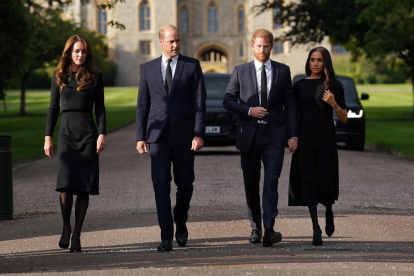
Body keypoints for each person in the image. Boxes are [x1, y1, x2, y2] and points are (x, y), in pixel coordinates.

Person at [223, 29, 298, 247]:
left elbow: (290, 106)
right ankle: (255, 227)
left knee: (271, 183)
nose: (262, 50)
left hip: (275, 137)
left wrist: (293, 134)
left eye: (266, 46)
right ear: (252, 46)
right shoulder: (240, 71)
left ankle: (270, 228)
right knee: (251, 184)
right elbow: (228, 100)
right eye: (258, 46)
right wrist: (249, 111)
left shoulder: (283, 71)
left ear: (272, 46)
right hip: (250, 136)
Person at [136, 25, 206, 252]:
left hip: (185, 135)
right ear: (161, 42)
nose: (176, 45)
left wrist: (198, 133)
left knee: (185, 184)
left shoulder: (192, 66)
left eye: (178, 41)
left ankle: (181, 220)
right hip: (157, 136)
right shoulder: (148, 68)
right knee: (160, 184)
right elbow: (142, 105)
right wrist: (140, 137)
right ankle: (166, 236)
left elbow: (199, 103)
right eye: (171, 41)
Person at [44, 34, 106, 252]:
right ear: (69, 52)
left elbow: (100, 107)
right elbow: (53, 108)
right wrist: (47, 136)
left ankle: (78, 234)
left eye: (83, 51)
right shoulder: (58, 75)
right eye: (76, 51)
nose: (80, 55)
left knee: (83, 188)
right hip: (66, 134)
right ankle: (66, 226)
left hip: (88, 133)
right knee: (65, 184)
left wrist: (102, 133)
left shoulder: (96, 76)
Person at [288, 46, 347, 246]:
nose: (315, 63)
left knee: (325, 176)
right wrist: (293, 137)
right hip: (305, 139)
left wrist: (333, 103)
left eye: (319, 60)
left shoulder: (335, 86)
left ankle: (329, 209)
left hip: (326, 138)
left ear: (326, 62)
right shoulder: (299, 86)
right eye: (312, 59)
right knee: (308, 179)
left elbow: (344, 117)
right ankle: (315, 227)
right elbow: (293, 116)